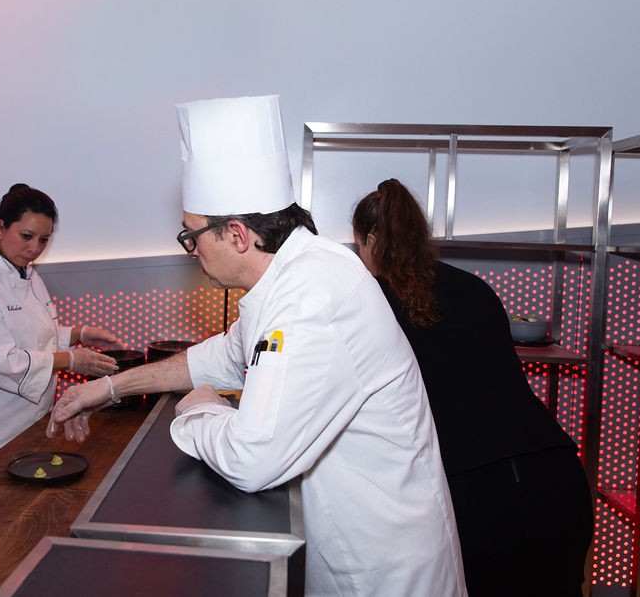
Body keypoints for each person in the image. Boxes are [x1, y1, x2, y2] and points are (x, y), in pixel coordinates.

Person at [47, 95, 466, 596]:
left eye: (191, 235)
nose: (190, 249)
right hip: (347, 547)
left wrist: (198, 411)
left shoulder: (312, 295)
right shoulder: (289, 279)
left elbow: (252, 458)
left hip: (384, 568)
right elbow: (219, 358)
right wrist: (108, 388)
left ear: (238, 235)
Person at [352, 178, 595, 597]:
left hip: (475, 497)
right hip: (558, 480)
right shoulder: (475, 287)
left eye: (358, 246)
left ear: (372, 240)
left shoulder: (369, 301)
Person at [0, 183, 122, 469]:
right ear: (0, 228)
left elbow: (32, 335)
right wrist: (70, 360)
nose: (34, 249)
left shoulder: (26, 272)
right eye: (26, 236)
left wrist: (78, 335)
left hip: (30, 422)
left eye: (43, 240)